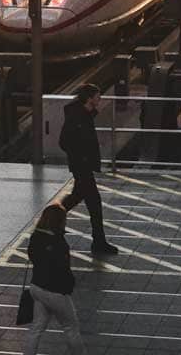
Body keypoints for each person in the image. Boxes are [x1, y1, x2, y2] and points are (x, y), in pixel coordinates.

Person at [59, 85, 118, 255]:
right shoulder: (76, 116)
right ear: (89, 98)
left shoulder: (84, 114)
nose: (100, 99)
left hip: (84, 166)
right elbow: (64, 142)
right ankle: (99, 243)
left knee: (75, 198)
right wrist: (81, 156)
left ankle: (50, 223)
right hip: (81, 166)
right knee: (95, 205)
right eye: (98, 96)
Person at [22, 203, 86, 355]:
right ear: (58, 221)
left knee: (37, 328)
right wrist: (69, 285)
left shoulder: (36, 237)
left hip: (36, 287)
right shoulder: (57, 242)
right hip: (55, 291)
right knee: (71, 327)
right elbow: (63, 268)